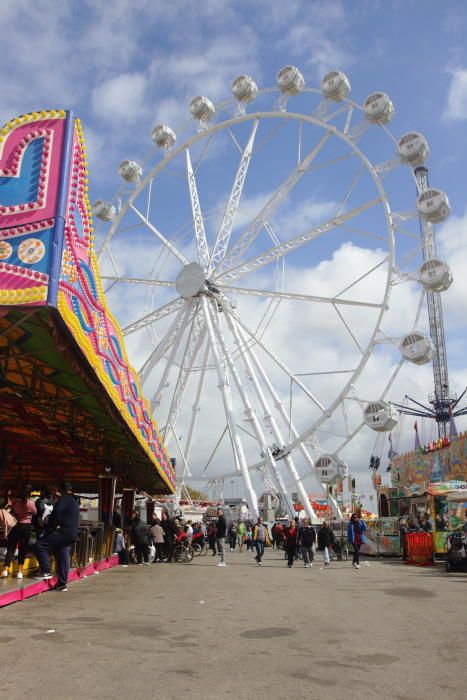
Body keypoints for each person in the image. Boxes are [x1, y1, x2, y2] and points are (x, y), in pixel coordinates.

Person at [34, 482, 80, 591]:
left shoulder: (63, 500)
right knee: (63, 554)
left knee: (40, 545)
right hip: (72, 533)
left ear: (60, 490)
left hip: (63, 531)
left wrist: (49, 528)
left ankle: (46, 571)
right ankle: (62, 584)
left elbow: (56, 514)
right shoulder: (74, 501)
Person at [2, 484, 37, 579]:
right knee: (22, 548)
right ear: (30, 492)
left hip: (15, 525)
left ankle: (5, 569)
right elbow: (35, 512)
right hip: (26, 526)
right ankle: (20, 571)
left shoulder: (15, 501)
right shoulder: (30, 503)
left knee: (11, 548)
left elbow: (12, 510)